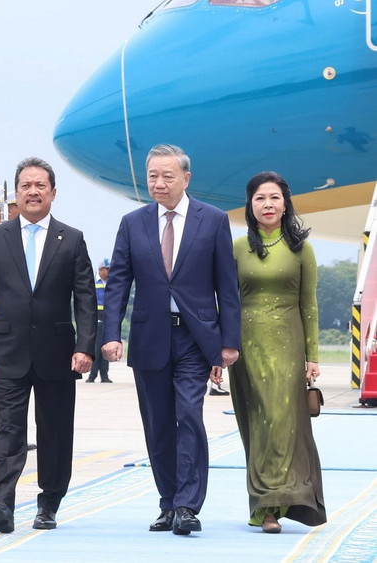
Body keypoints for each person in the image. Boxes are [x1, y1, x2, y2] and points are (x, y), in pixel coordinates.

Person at [102, 144, 241, 536]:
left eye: (167, 176)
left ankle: (187, 505)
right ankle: (168, 502)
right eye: (152, 176)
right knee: (158, 424)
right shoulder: (133, 223)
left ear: (186, 178)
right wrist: (111, 333)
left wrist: (229, 341)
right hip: (150, 337)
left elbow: (227, 286)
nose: (159, 183)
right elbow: (118, 284)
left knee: (189, 416)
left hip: (195, 339)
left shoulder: (212, 220)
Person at [0, 157, 96, 533]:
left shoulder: (71, 238)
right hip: (7, 351)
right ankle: (3, 503)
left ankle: (49, 503)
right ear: (16, 193)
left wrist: (85, 346)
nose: (33, 192)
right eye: (26, 185)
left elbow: (85, 299)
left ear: (53, 193)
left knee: (55, 430)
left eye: (40, 185)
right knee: (8, 428)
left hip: (58, 353)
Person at [226, 171, 326, 533]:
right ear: (249, 206)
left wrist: (312, 356)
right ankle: (262, 502)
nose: (267, 204)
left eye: (274, 198)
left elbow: (309, 305)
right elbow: (226, 302)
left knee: (281, 421)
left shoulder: (302, 249)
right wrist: (220, 349)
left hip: (288, 345)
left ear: (285, 205)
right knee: (257, 423)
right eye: (259, 198)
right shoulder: (238, 248)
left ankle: (275, 504)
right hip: (246, 347)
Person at [87, 258, 111, 383]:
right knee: (95, 350)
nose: (109, 272)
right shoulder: (93, 282)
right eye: (107, 269)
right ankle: (92, 375)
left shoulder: (111, 283)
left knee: (105, 350)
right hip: (96, 321)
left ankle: (104, 376)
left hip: (107, 321)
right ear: (101, 269)